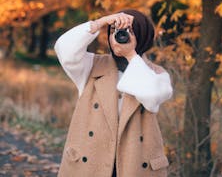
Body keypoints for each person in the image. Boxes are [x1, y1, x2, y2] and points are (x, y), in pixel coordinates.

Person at [54, 9, 173, 177]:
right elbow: (63, 48)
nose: (120, 35)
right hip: (91, 163)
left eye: (129, 31)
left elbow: (152, 95)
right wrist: (101, 22)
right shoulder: (91, 65)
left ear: (142, 36)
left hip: (135, 163)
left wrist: (130, 55)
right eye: (114, 30)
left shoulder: (156, 74)